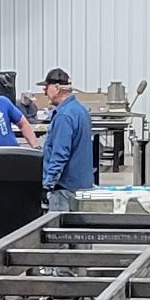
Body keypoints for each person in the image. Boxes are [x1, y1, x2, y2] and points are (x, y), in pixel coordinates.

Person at [39, 68, 93, 211]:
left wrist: (47, 185)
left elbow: (60, 154)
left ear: (56, 88)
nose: (44, 92)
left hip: (65, 190)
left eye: (46, 88)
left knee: (58, 231)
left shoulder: (64, 116)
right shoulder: (80, 110)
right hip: (82, 186)